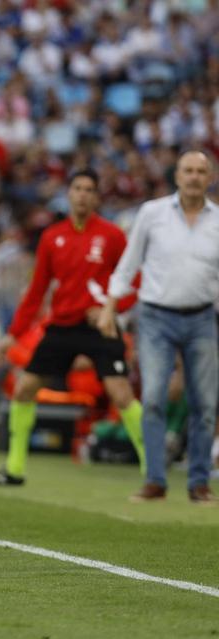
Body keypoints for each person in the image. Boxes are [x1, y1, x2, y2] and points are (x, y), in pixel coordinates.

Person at [0, 169, 145, 486]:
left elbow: (134, 281)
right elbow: (37, 291)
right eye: (78, 188)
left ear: (96, 197)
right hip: (61, 326)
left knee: (120, 393)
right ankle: (14, 469)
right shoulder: (52, 236)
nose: (83, 194)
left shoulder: (111, 236)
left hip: (99, 327)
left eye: (89, 189)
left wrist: (112, 310)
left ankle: (152, 474)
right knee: (25, 388)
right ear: (69, 194)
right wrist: (12, 334)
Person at [98, 151, 219, 504]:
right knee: (152, 399)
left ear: (209, 177)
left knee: (206, 404)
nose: (194, 177)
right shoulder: (152, 213)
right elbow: (128, 262)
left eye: (201, 171)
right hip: (155, 317)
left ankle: (198, 482)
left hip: (202, 318)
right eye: (188, 170)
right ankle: (155, 480)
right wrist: (109, 307)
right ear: (176, 175)